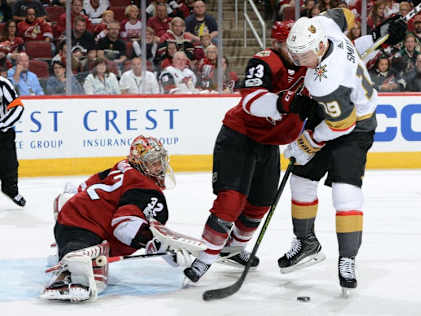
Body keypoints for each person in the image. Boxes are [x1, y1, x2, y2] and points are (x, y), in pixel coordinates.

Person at [182, 18, 319, 283]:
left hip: (269, 145)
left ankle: (233, 250)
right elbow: (251, 102)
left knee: (260, 203)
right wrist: (286, 102)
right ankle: (205, 258)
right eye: (290, 45)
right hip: (239, 138)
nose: (297, 51)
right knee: (231, 201)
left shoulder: (310, 64)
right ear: (277, 44)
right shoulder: (264, 61)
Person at [278, 12, 378, 294]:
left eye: (303, 56)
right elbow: (346, 14)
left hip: (357, 125)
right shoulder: (322, 24)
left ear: (321, 47)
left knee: (345, 191)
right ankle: (306, 242)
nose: (298, 61)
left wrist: (307, 142)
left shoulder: (325, 81)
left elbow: (342, 125)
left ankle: (347, 258)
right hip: (333, 112)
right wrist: (366, 40)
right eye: (294, 54)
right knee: (300, 180)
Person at [41, 135, 191, 302]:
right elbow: (123, 226)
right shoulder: (145, 188)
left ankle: (70, 254)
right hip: (83, 221)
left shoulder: (124, 165)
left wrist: (160, 245)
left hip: (76, 214)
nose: (159, 166)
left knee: (85, 248)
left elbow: (85, 186)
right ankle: (69, 273)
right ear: (140, 162)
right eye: (152, 161)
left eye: (160, 159)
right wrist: (155, 243)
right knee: (80, 256)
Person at [0, 75, 26, 207]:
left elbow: (18, 107)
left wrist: (2, 125)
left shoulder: (3, 84)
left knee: (9, 164)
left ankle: (10, 189)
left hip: (3, 134)